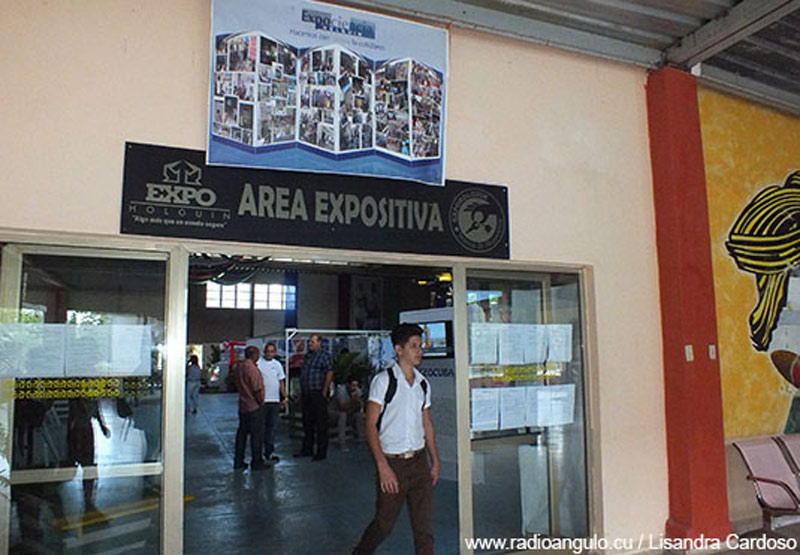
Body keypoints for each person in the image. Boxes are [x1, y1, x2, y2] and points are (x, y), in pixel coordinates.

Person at [354, 324, 440, 554]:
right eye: (413, 346)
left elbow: (427, 424)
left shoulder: (423, 383)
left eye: (420, 346)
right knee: (384, 524)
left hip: (419, 462)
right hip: (393, 463)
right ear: (398, 349)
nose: (419, 351)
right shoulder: (384, 381)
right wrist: (383, 466)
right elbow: (370, 424)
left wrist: (435, 461)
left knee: (424, 528)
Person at [295, 334, 333, 461]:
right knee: (307, 423)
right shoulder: (308, 356)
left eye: (312, 342)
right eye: (309, 342)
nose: (309, 344)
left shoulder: (324, 356)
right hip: (307, 393)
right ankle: (307, 449)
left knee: (321, 424)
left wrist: (324, 390)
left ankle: (321, 452)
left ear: (319, 343)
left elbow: (329, 372)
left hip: (318, 393)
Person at [233, 346, 267, 471]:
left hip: (243, 406)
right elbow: (257, 388)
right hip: (254, 407)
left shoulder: (239, 367)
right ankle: (257, 462)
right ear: (255, 355)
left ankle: (238, 460)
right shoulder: (252, 369)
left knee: (242, 434)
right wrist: (261, 402)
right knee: (256, 435)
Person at [258, 342, 286, 462]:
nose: (269, 353)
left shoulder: (277, 365)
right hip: (262, 401)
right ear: (264, 352)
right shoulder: (258, 363)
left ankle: (269, 452)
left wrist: (284, 397)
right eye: (267, 351)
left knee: (272, 428)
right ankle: (259, 453)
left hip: (274, 401)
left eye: (271, 351)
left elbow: (281, 381)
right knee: (261, 428)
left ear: (274, 353)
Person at [330, 376, 364, 451]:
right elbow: (342, 406)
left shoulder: (357, 391)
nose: (354, 387)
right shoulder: (341, 390)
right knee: (342, 415)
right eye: (352, 385)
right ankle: (342, 443)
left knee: (359, 415)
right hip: (334, 412)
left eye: (356, 385)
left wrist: (358, 401)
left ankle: (360, 440)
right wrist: (353, 400)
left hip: (349, 412)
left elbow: (359, 407)